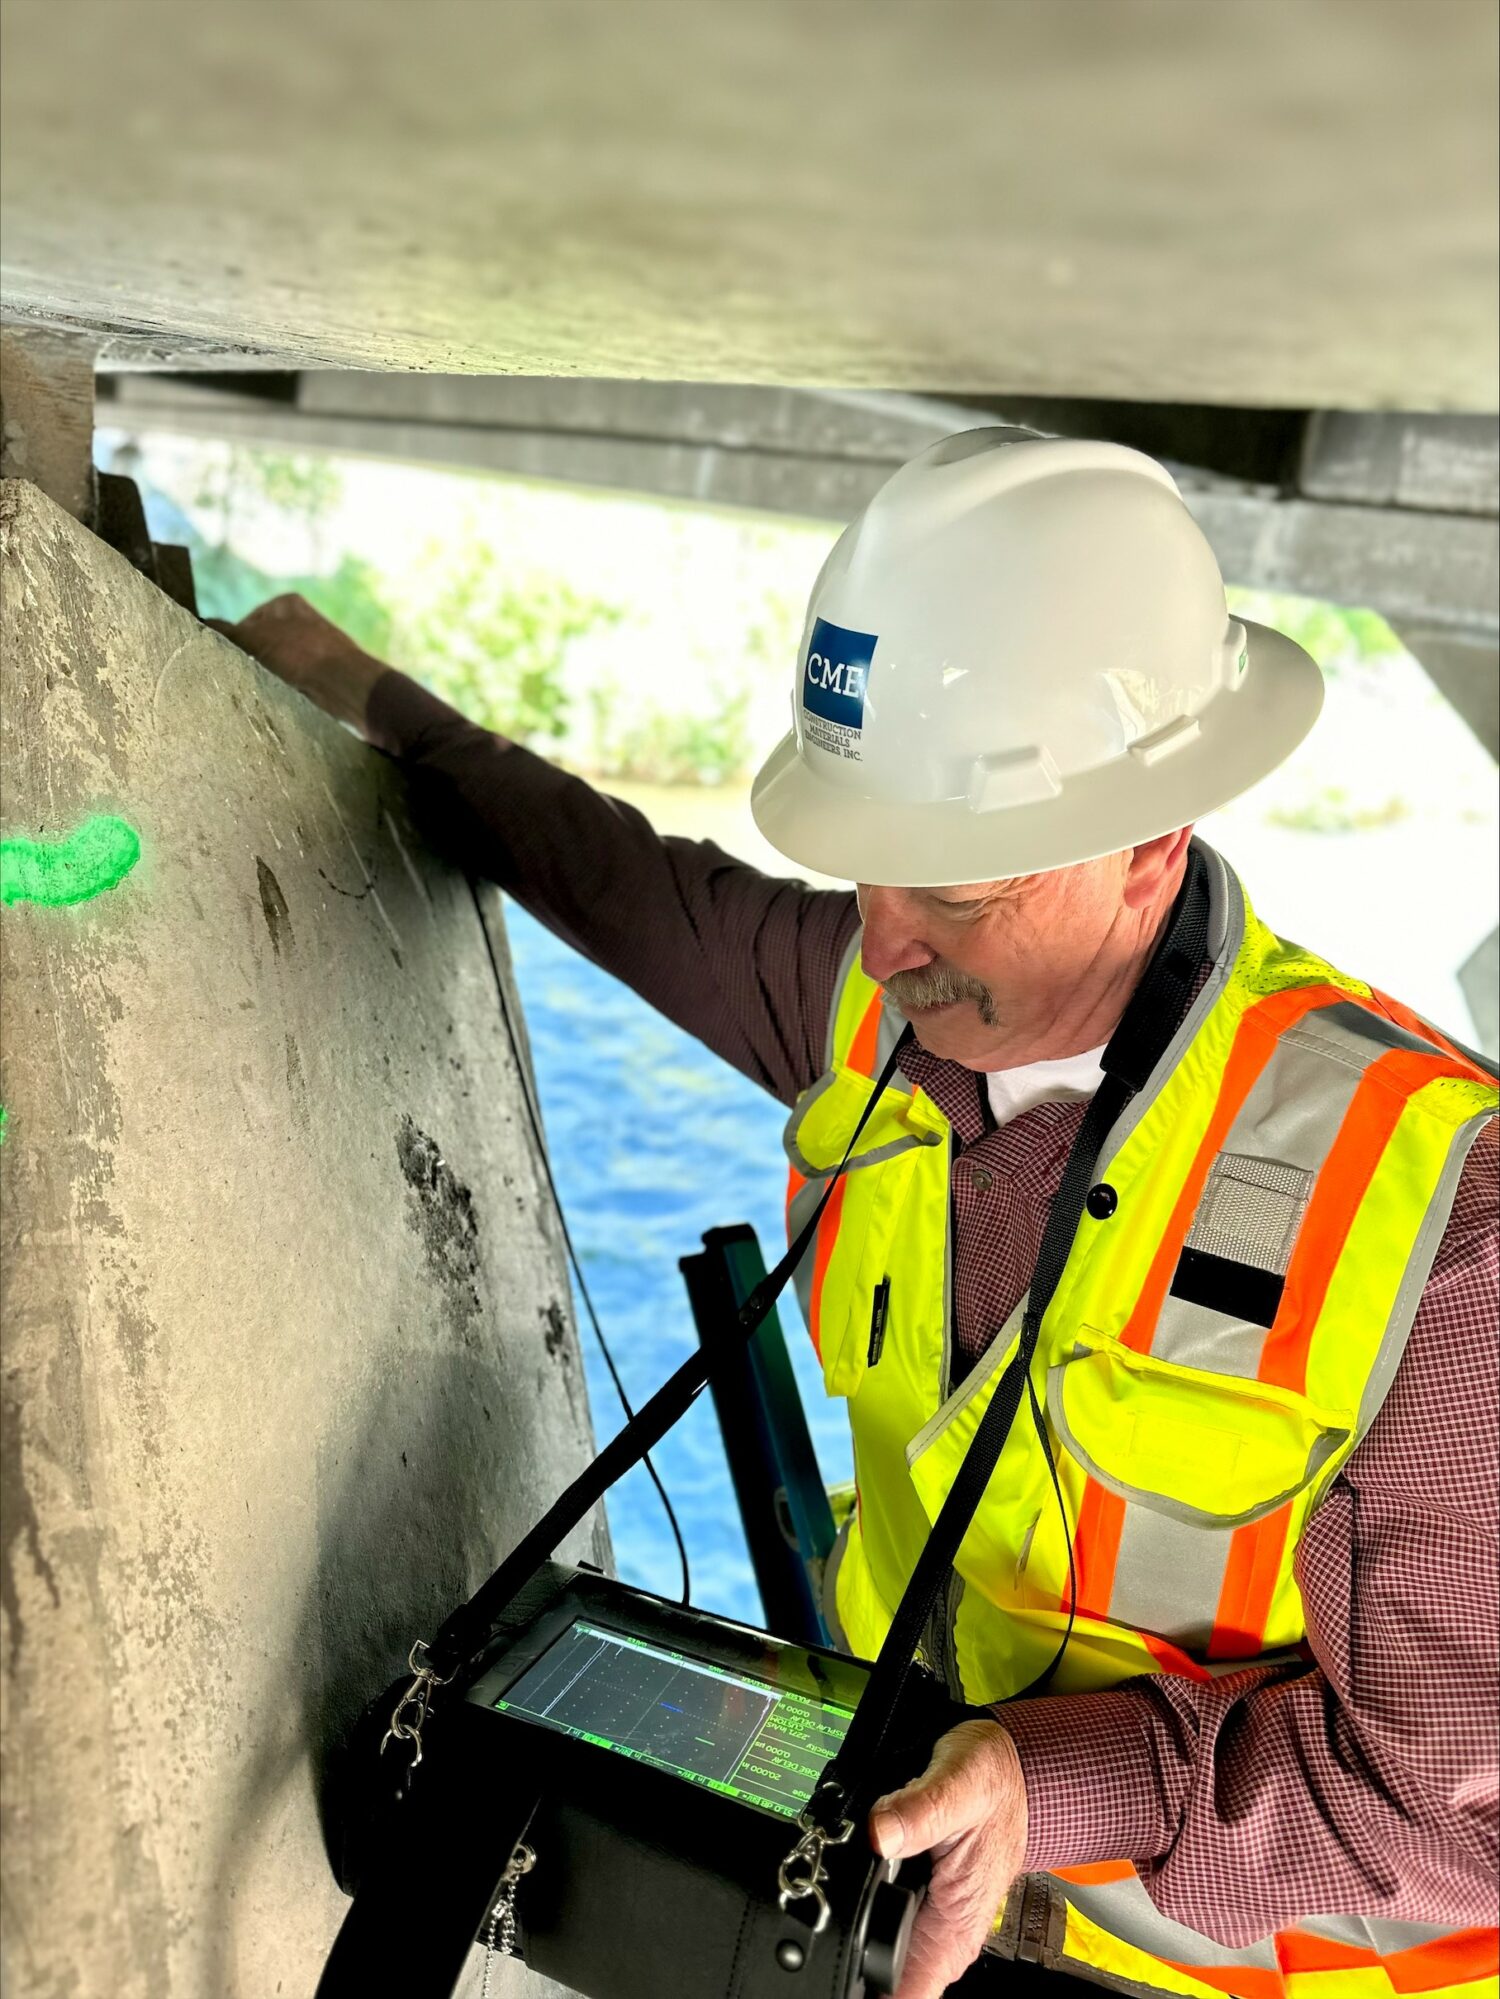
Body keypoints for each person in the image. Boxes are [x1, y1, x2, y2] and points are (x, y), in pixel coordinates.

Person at [214, 432, 1499, 1999]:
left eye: (953, 886)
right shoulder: (878, 997)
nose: (881, 945)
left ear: (1149, 843)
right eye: (863, 868)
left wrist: (1047, 1784)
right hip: (889, 1900)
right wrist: (368, 693)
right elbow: (633, 890)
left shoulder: (1442, 1223)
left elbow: (1456, 1810)